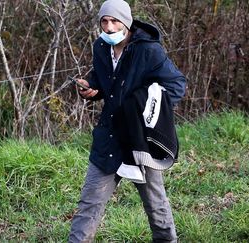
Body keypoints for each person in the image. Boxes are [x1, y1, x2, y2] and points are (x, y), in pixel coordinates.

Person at [69, 0, 186, 242]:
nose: (109, 27)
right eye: (104, 21)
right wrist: (92, 89)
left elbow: (176, 85)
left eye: (115, 21)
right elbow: (104, 83)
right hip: (108, 136)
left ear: (127, 22)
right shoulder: (101, 47)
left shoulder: (148, 50)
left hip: (139, 141)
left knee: (156, 204)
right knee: (89, 203)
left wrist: (146, 112)